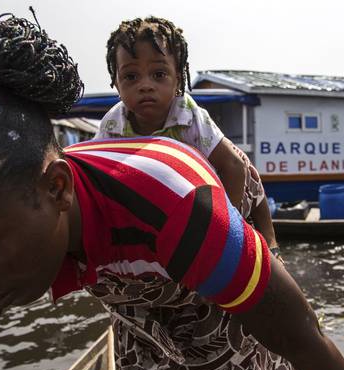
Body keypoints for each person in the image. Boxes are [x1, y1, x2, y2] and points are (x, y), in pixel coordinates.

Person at [0, 12, 344, 370]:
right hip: (141, 333)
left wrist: (258, 246)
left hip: (218, 312)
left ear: (58, 189)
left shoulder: (179, 200)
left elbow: (304, 341)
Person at [95, 17, 281, 260]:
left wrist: (226, 227)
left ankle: (269, 235)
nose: (145, 86)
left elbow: (233, 167)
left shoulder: (187, 115)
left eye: (159, 74)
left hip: (207, 194)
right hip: (159, 199)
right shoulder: (113, 124)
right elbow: (96, 177)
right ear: (116, 84)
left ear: (178, 81)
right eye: (131, 77)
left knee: (241, 160)